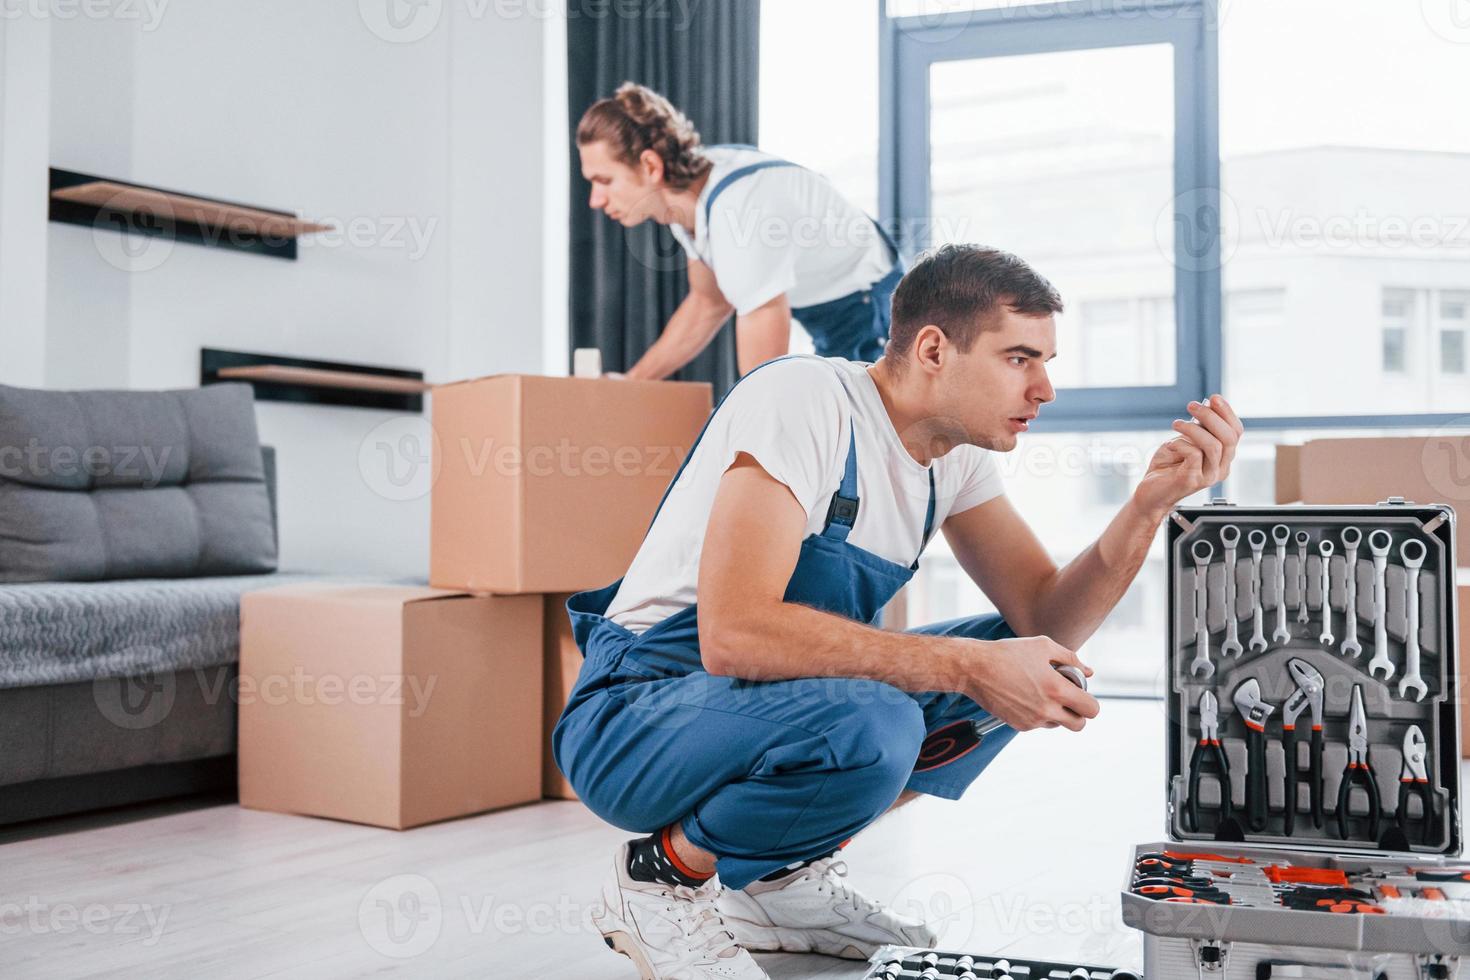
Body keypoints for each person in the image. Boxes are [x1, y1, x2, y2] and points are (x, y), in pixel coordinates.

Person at [553, 244, 1244, 980]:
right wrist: (970, 666)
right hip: (636, 716)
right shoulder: (807, 399)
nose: (1044, 388)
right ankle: (657, 879)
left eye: (1046, 361)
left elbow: (1048, 619)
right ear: (934, 349)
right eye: (1019, 358)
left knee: (1032, 653)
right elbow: (734, 634)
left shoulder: (954, 459)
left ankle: (777, 888)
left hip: (760, 708)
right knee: (875, 720)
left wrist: (1148, 508)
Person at [578, 82, 903, 378]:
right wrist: (633, 382)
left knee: (846, 431)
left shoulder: (739, 213)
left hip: (867, 304)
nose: (595, 199)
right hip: (829, 304)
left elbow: (764, 385)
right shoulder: (686, 199)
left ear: (651, 166)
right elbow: (709, 302)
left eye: (604, 181)